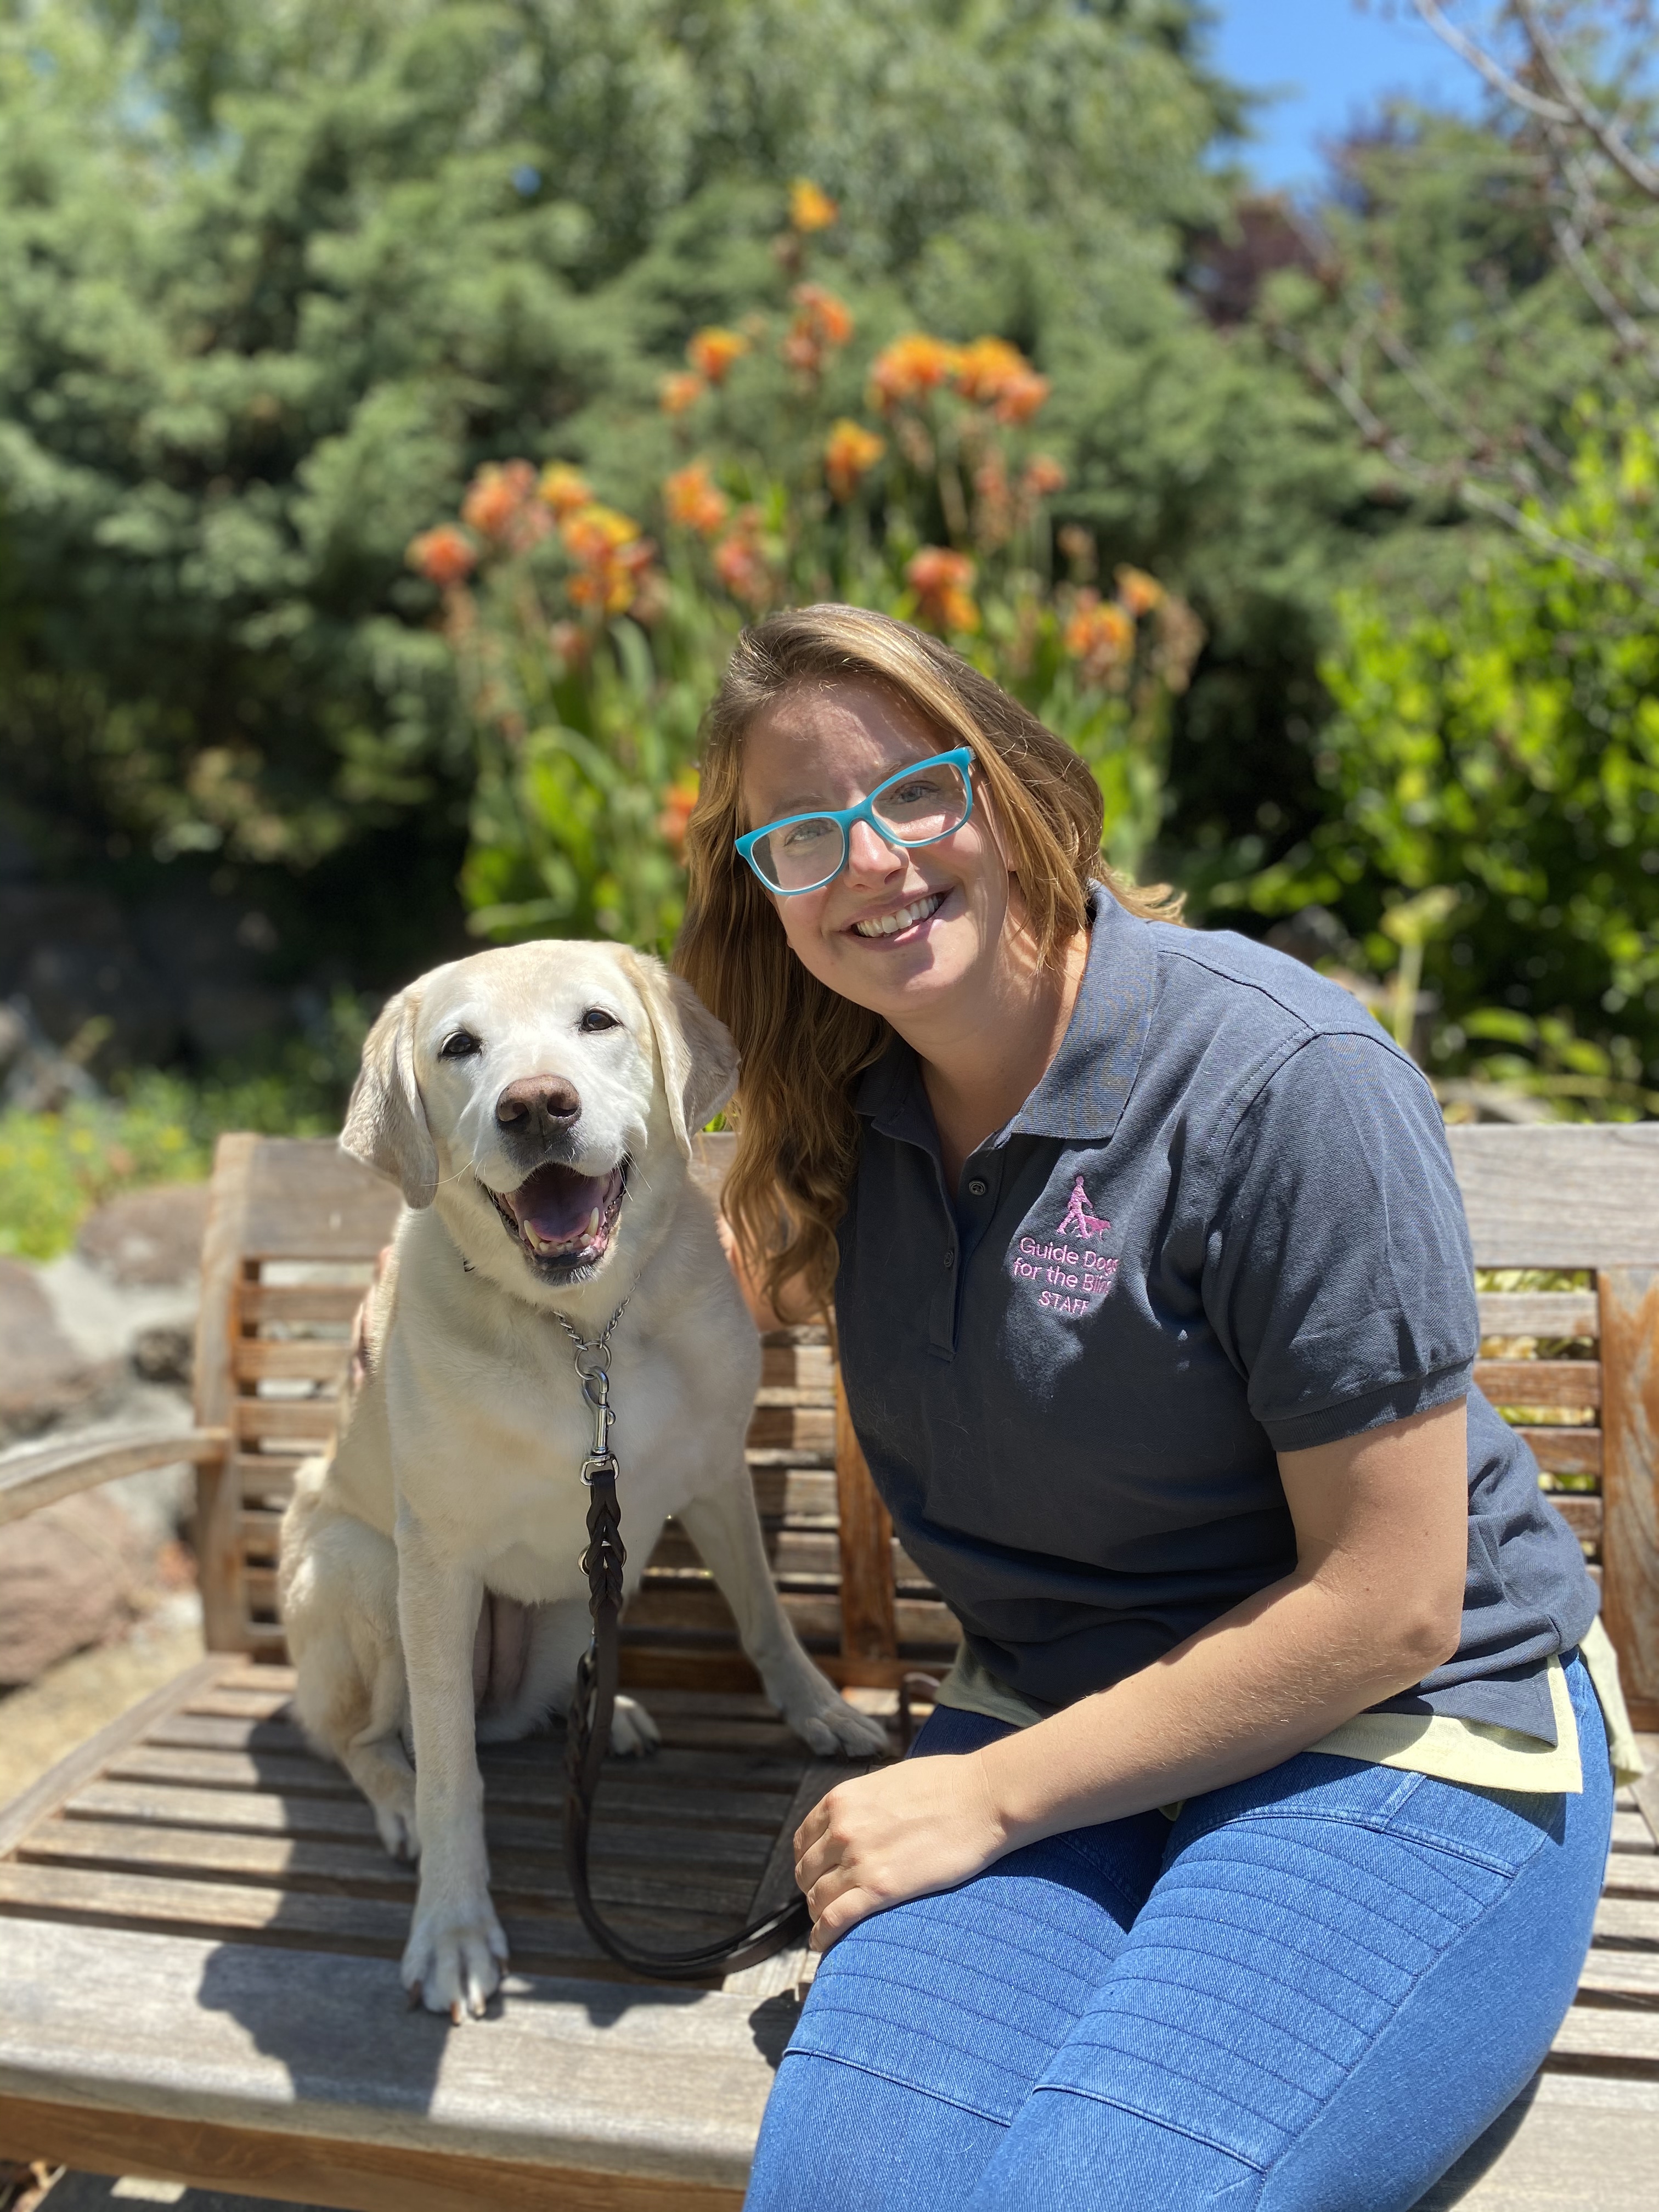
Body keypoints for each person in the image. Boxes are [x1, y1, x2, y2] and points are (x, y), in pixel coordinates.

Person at [675, 605, 1639, 2212]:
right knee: (847, 2191)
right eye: (801, 835)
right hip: (1056, 1715)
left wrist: (977, 1794)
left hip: (1402, 1736)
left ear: (1017, 785)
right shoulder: (844, 1109)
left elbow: (1392, 1606)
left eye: (916, 792)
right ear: (762, 892)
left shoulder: (1284, 1080)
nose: (872, 861)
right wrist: (442, 1265)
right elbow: (684, 1273)